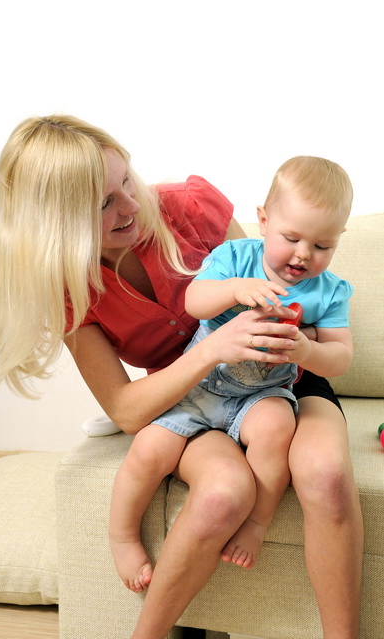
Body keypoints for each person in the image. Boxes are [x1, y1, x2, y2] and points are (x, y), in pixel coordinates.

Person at [0, 115, 363, 639]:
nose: (132, 206)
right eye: (103, 203)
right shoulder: (68, 289)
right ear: (56, 221)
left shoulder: (190, 208)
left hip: (281, 379)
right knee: (224, 493)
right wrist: (212, 352)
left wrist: (301, 341)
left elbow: (267, 279)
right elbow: (125, 408)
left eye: (127, 181)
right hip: (189, 394)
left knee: (327, 477)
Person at [109, 156, 354, 583]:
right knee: (148, 448)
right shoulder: (235, 257)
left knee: (278, 428)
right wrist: (235, 289)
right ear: (264, 221)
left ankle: (256, 523)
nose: (303, 254)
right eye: (291, 238)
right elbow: (194, 302)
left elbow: (341, 356)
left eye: (322, 246)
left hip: (262, 393)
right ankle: (123, 536)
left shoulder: (329, 291)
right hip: (202, 385)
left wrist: (307, 351)